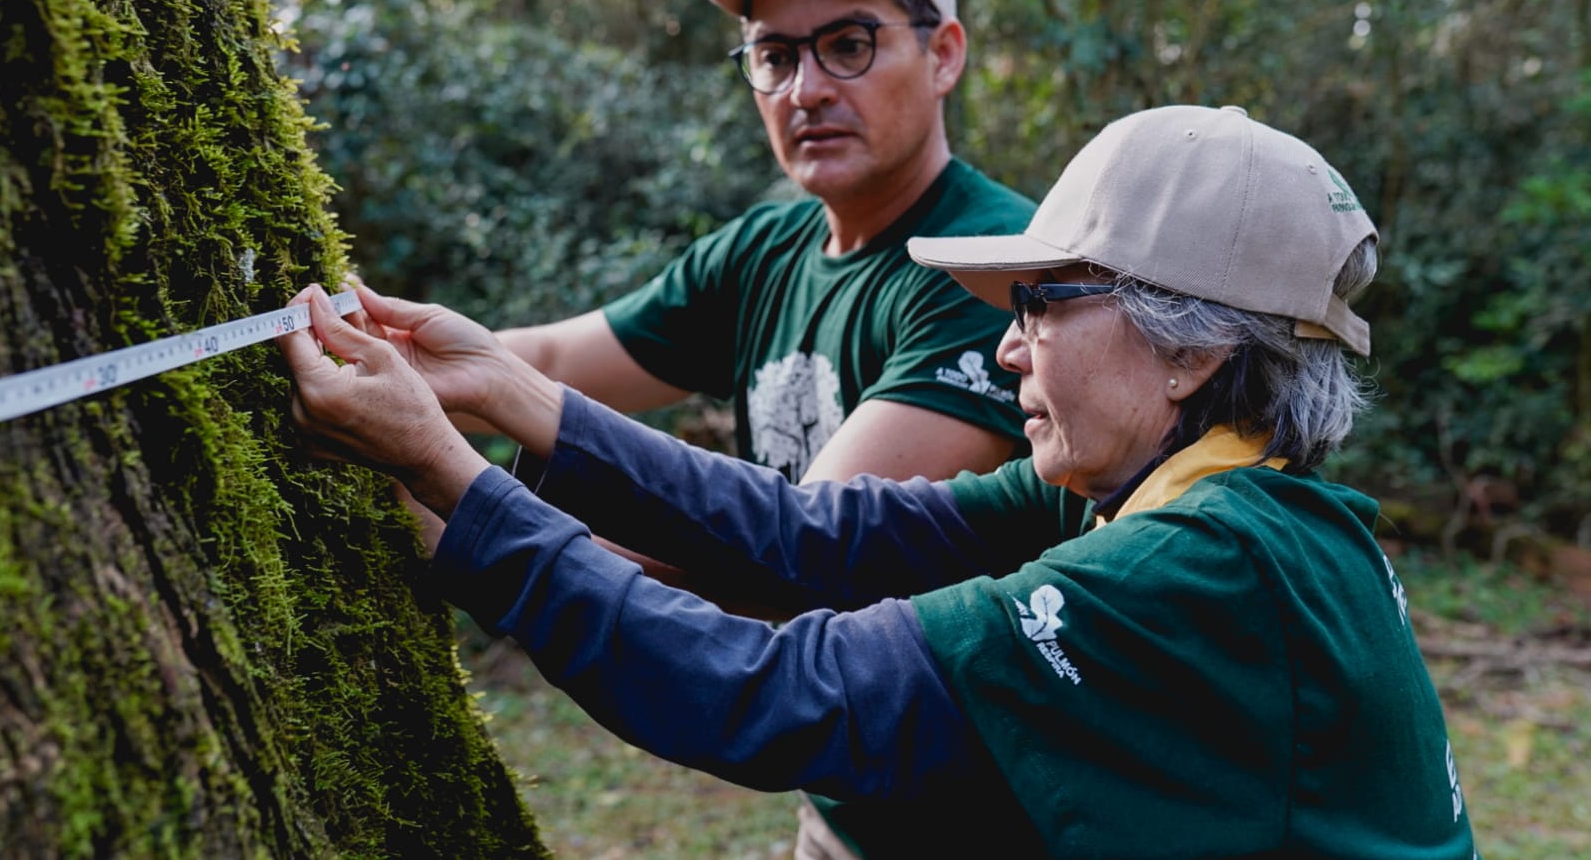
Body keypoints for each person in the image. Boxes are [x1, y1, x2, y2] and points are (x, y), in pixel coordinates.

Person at [281, 104, 1481, 858]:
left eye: (1042, 303)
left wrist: (451, 479)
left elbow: (769, 692)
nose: (1009, 346)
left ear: (1191, 350)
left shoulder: (1194, 567)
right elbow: (820, 538)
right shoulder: (1192, 497)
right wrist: (511, 395)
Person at [476, 0, 1037, 488]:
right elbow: (549, 361)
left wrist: (473, 514)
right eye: (775, 56)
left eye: (849, 45)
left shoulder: (993, 263)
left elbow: (815, 542)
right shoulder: (761, 254)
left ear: (944, 56)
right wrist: (381, 353)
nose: (805, 91)